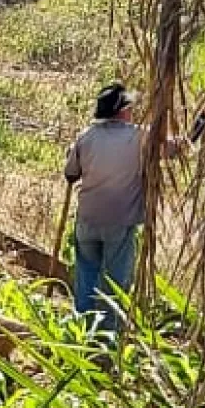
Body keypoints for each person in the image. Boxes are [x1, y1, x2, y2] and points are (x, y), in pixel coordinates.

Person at [62, 81, 145, 322]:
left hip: (87, 220)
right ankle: (106, 338)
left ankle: (82, 330)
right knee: (114, 284)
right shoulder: (139, 137)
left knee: (86, 275)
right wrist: (201, 123)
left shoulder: (87, 136)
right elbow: (178, 148)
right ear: (123, 110)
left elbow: (70, 175)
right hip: (119, 223)